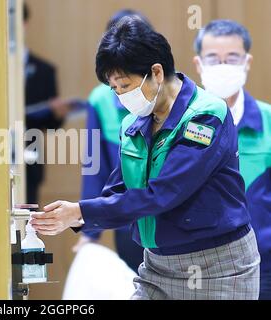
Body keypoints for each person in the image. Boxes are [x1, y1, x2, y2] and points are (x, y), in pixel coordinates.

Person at [31, 16, 261, 300]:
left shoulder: (205, 116)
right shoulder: (134, 123)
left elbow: (163, 193)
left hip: (216, 268)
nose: (120, 97)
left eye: (125, 85)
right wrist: (73, 215)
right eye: (113, 89)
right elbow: (123, 187)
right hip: (156, 265)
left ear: (156, 72)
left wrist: (80, 212)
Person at [193, 19, 271, 300]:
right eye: (213, 58)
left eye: (232, 58)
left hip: (263, 266)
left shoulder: (268, 121)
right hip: (195, 268)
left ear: (247, 62)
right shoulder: (178, 124)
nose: (223, 66)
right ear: (199, 64)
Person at [75, 9, 153, 272]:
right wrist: (90, 230)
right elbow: (94, 169)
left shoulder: (173, 91)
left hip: (173, 218)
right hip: (128, 220)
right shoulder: (100, 100)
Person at [23, 3, 72, 204]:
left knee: (27, 217)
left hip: (30, 151)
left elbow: (52, 125)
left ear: (24, 24)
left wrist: (58, 114)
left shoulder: (45, 70)